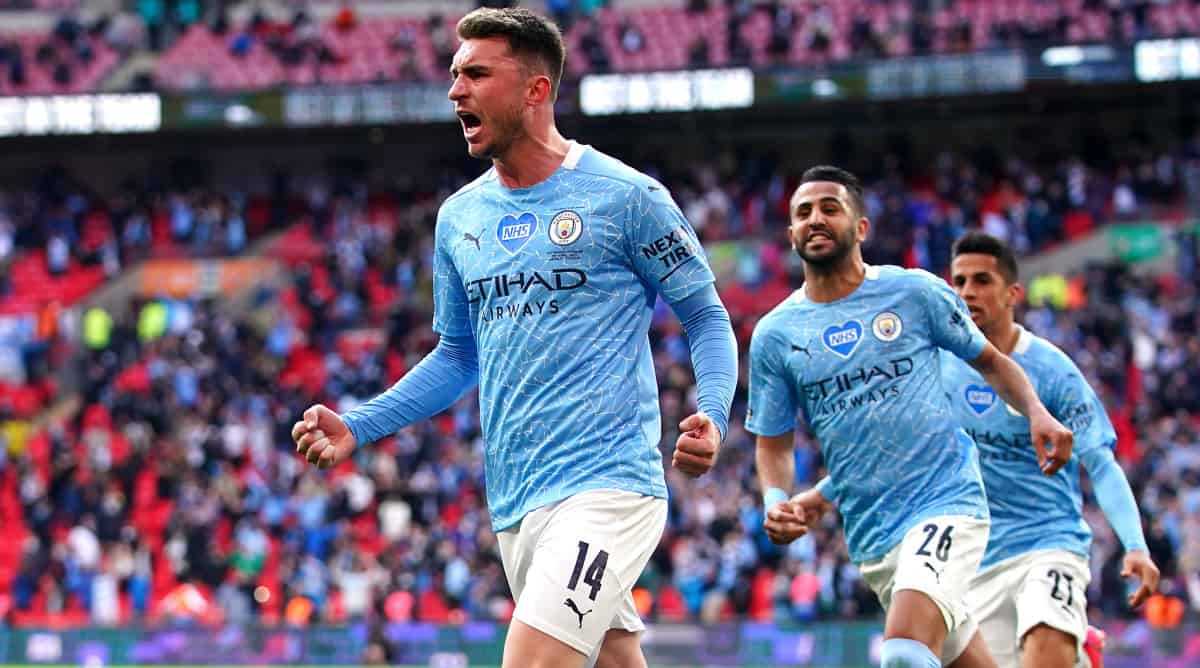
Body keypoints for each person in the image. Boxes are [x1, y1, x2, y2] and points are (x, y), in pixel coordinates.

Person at [291, 8, 738, 668]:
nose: (455, 90)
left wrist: (714, 413)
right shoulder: (459, 219)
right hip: (517, 503)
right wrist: (361, 425)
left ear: (535, 89)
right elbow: (457, 356)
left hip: (608, 488)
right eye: (454, 74)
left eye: (476, 74)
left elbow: (705, 316)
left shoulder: (626, 196)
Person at [747, 166, 1073, 668]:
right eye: (803, 212)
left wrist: (1036, 412)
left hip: (946, 503)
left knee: (902, 654)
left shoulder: (914, 294)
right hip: (873, 535)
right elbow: (773, 442)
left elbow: (990, 361)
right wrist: (775, 499)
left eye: (830, 208)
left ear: (860, 228)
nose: (815, 219)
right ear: (790, 233)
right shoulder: (776, 335)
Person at [939, 232, 1159, 668]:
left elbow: (1100, 462)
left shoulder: (1052, 369)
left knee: (1045, 651)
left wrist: (1135, 545)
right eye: (960, 281)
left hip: (1048, 543)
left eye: (982, 280)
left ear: (1012, 294)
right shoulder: (941, 367)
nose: (968, 292)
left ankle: (1068, 647)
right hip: (977, 561)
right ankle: (1083, 654)